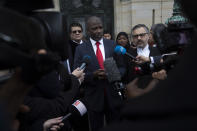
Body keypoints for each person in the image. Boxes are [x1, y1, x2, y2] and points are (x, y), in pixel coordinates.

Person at [74, 16, 123, 131]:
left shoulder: (112, 45)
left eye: (100, 27)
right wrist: (93, 75)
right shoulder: (80, 49)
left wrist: (111, 74)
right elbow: (76, 72)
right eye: (94, 28)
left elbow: (122, 68)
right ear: (88, 30)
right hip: (93, 97)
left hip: (113, 96)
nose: (98, 31)